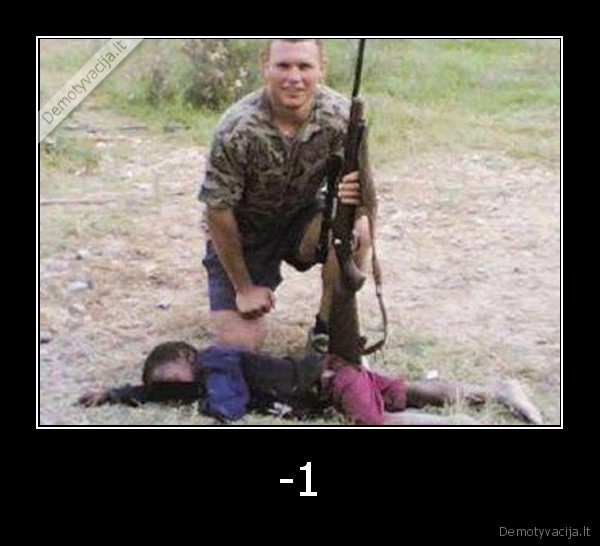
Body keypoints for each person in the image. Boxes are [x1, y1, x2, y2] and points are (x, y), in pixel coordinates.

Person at [198, 38, 376, 352]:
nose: (294, 77)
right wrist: (244, 288)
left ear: (321, 69)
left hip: (302, 221)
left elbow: (366, 196)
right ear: (265, 67)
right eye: (283, 66)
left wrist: (358, 211)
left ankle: (327, 327)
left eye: (304, 66)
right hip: (243, 233)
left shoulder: (342, 118)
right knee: (240, 348)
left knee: (356, 232)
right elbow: (217, 211)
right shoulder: (236, 127)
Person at [77, 341, 543, 426]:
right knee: (409, 389)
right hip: (334, 372)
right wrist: (115, 395)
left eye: (172, 381)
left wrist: (212, 413)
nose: (175, 391)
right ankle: (495, 392)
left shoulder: (216, 363)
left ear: (185, 357)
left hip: (329, 381)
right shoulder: (206, 371)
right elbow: (164, 391)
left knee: (378, 421)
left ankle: (467, 422)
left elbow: (229, 406)